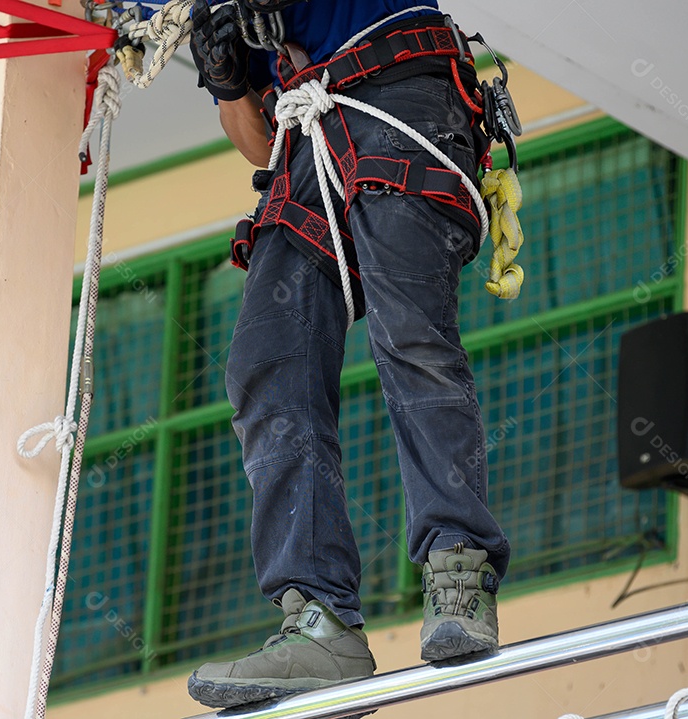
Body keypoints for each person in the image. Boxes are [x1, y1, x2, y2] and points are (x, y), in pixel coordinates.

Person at [186, 0, 512, 710]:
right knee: (266, 362)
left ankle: (459, 569)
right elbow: (252, 138)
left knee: (410, 333)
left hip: (400, 88)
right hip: (309, 135)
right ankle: (319, 620)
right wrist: (230, 79)